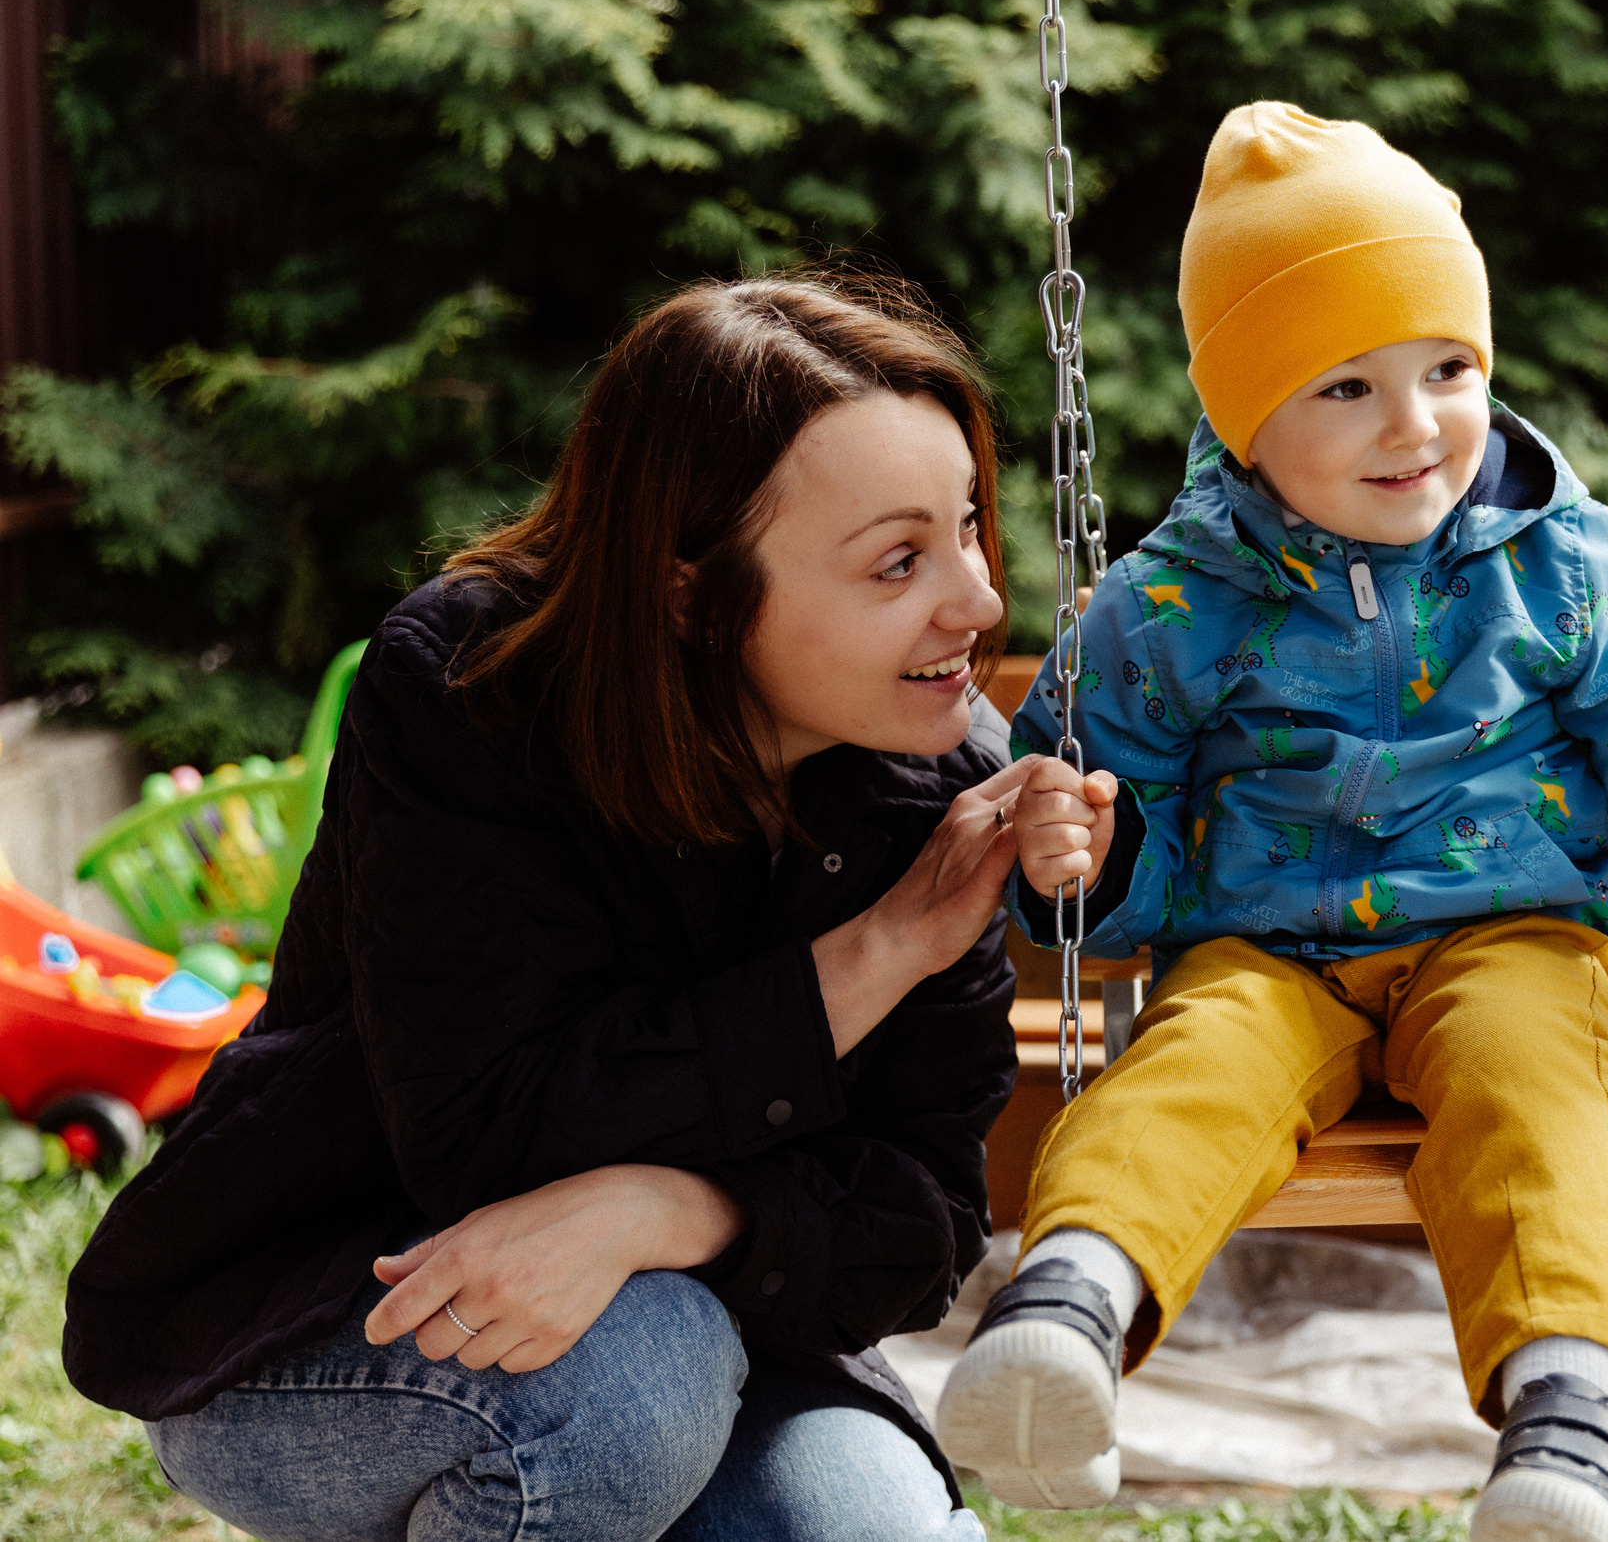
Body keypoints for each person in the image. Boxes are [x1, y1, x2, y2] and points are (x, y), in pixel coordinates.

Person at [932, 102, 1608, 1542]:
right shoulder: (1170, 600)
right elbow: (1118, 828)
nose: (1414, 422)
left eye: (1447, 367)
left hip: (1515, 933)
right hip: (1264, 950)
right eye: (1344, 387)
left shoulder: (1562, 562)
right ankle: (1067, 1312)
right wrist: (1080, 864)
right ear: (1247, 412)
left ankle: (1568, 1424)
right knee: (1186, 1071)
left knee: (1544, 1087)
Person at [63, 276, 1053, 1541]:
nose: (973, 600)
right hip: (330, 1302)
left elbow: (925, 1225)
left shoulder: (942, 785)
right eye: (898, 561)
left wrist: (680, 1210)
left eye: (969, 527)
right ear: (692, 593)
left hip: (736, 1320)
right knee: (634, 1387)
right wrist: (875, 956)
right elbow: (481, 1136)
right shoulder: (470, 695)